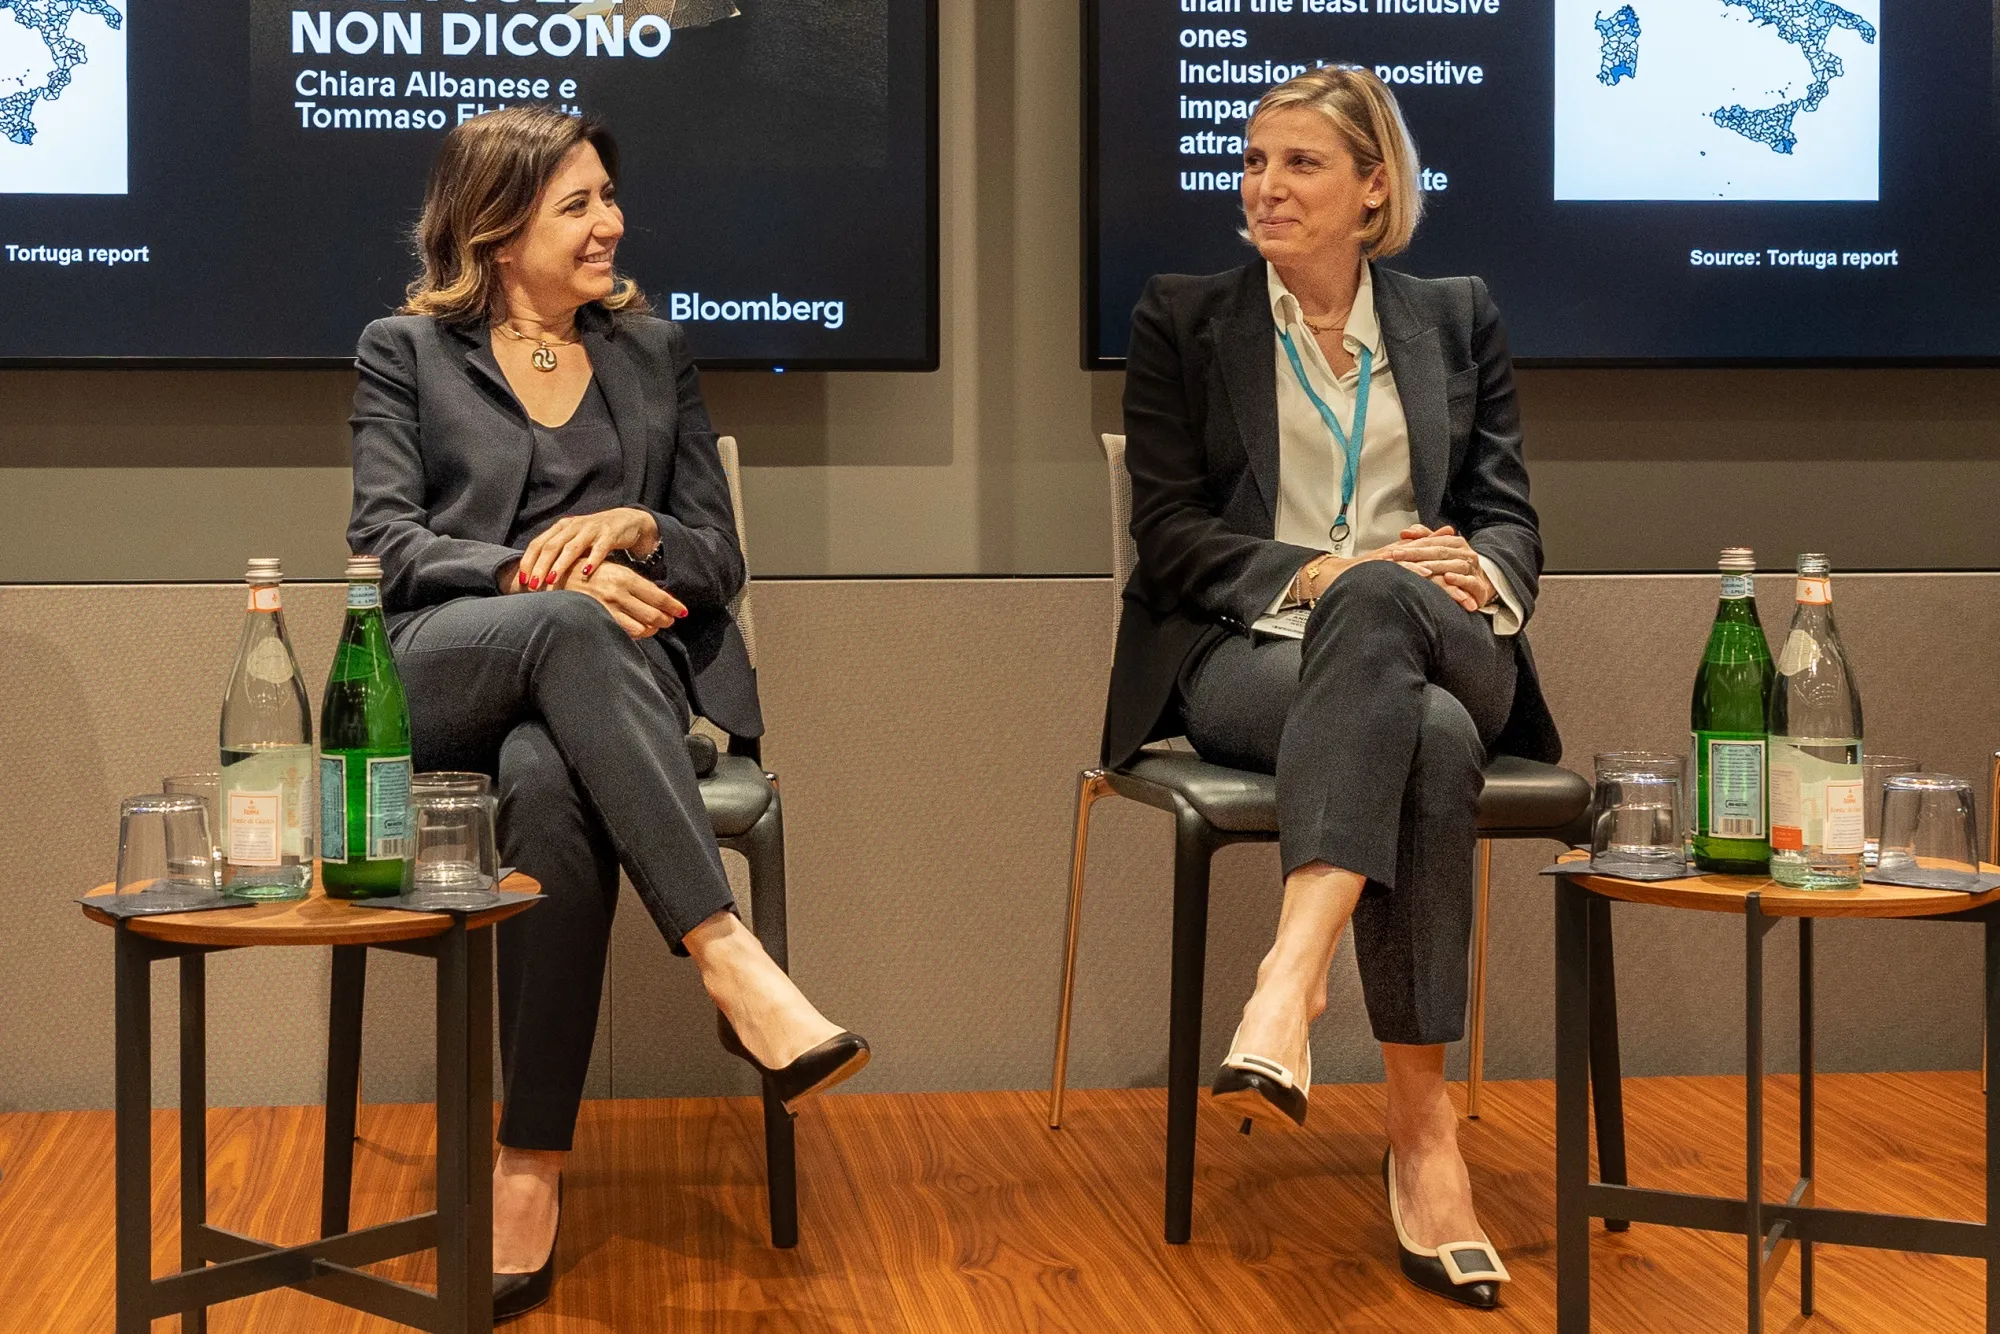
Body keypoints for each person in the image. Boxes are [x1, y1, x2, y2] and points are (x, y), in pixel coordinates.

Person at [347, 105, 869, 1321]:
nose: (611, 223)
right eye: (577, 202)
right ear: (496, 222)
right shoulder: (403, 351)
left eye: (608, 199)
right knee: (570, 626)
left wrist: (639, 528)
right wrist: (538, 570)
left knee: (546, 781)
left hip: (608, 697)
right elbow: (387, 545)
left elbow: (714, 557)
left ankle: (528, 1166)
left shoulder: (649, 352)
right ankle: (732, 960)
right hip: (444, 661)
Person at [1105, 66, 1560, 1310]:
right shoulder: (1183, 317)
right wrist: (1327, 568)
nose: (1262, 187)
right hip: (1254, 650)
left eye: (1298, 164)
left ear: (1373, 189)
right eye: (1251, 161)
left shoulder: (1455, 316)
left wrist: (1476, 565)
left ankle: (1286, 980)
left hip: (1448, 631)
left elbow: (1511, 520)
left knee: (1388, 620)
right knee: (1417, 729)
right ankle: (1423, 1135)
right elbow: (1171, 531)